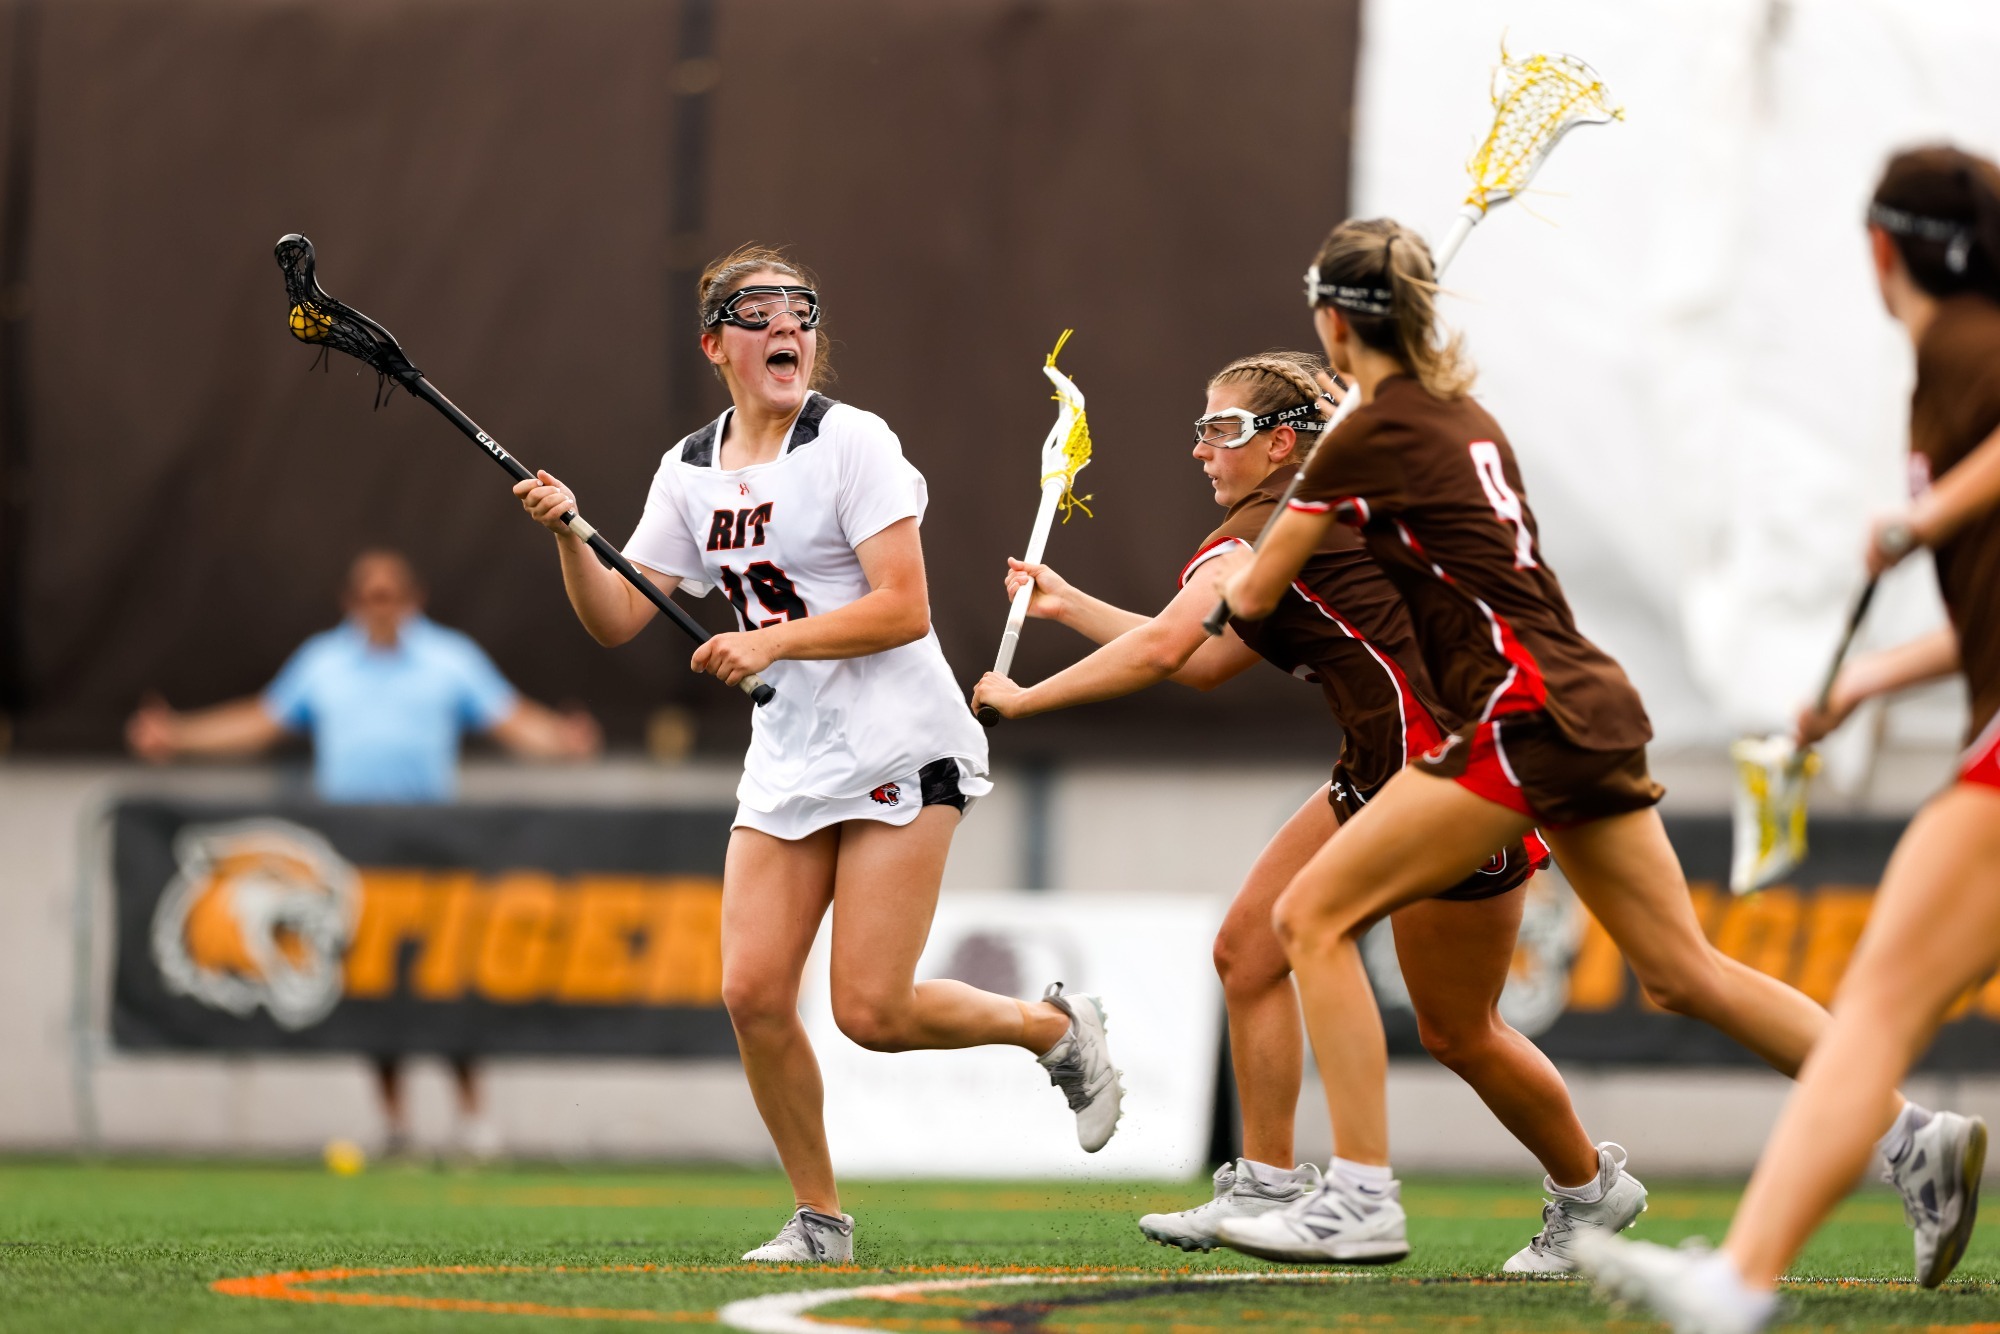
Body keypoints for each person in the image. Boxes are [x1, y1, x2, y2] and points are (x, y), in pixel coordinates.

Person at [1207, 217, 1967, 1267]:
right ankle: (1913, 1137)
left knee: (1308, 916)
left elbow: (1249, 592)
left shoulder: (1360, 436)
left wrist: (1292, 500)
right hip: (1587, 700)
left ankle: (1359, 1194)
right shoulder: (1461, 415)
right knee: (1681, 972)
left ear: (1331, 323)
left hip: (1520, 713)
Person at [511, 244, 1122, 1264]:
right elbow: (617, 616)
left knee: (870, 1011)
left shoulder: (855, 444)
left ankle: (1052, 1030)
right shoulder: (686, 471)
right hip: (791, 754)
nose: (784, 325)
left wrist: (768, 639)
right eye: (755, 313)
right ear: (716, 344)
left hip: (900, 739)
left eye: (799, 310)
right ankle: (820, 1218)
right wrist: (573, 533)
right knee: (751, 992)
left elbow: (901, 605)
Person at [972, 351, 1642, 1270]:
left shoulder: (1272, 525)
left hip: (1448, 779)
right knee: (1249, 953)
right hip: (1377, 774)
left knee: (1456, 1027)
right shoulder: (1285, 519)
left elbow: (1173, 647)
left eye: (1220, 430)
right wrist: (1070, 606)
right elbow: (1204, 656)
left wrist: (1024, 697)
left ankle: (1560, 1192)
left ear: (1280, 442)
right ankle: (1268, 1185)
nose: (1201, 449)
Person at [1578, 146, 2000, 1332]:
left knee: (1871, 1009)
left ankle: (1736, 1280)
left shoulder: (1967, 348)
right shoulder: (1950, 366)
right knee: (1875, 1008)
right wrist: (1865, 678)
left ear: (1880, 250)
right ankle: (1746, 1269)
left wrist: (1927, 511)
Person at [127, 547, 602, 1160]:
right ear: (352, 603)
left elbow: (511, 720)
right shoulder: (323, 663)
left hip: (431, 851)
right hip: (351, 857)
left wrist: (562, 743)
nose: (382, 608)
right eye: (371, 596)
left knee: (447, 986)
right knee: (373, 994)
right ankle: (397, 1125)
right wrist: (180, 737)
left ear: (413, 599)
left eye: (392, 595)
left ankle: (472, 1119)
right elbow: (260, 721)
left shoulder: (447, 659)